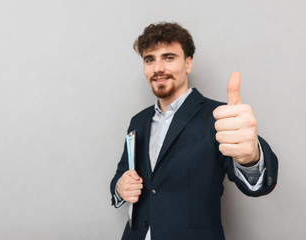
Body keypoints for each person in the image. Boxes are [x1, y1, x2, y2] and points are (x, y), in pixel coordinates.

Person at [110, 22, 278, 240]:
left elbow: (258, 184)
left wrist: (252, 158)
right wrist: (120, 187)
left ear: (188, 64)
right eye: (149, 59)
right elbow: (120, 175)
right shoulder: (138, 121)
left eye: (168, 57)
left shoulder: (217, 116)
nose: (158, 68)